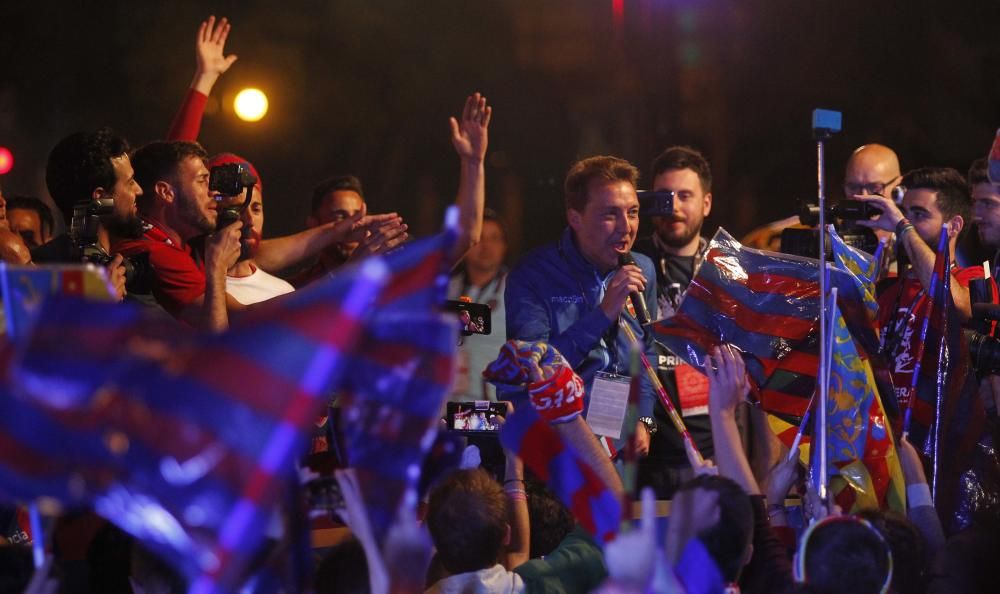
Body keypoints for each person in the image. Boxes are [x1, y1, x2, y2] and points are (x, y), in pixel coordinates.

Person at [504, 155, 658, 455]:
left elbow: (648, 349)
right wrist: (603, 314)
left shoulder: (643, 269)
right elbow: (532, 373)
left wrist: (644, 418)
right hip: (555, 449)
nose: (626, 227)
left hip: (617, 450)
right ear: (575, 218)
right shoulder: (533, 274)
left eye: (633, 212)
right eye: (610, 214)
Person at [631, 145, 715, 497]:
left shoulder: (726, 269)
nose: (675, 207)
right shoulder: (631, 264)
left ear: (706, 204)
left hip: (713, 452)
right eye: (664, 197)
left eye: (685, 195)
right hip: (644, 451)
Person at [857, 167, 977, 408]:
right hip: (887, 428)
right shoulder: (887, 290)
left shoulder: (973, 279)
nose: (908, 223)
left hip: (939, 435)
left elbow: (955, 305)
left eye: (919, 215)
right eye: (905, 213)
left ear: (954, 226)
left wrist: (902, 227)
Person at [112, 140, 243, 331]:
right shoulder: (150, 250)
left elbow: (256, 258)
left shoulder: (180, 242)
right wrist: (218, 267)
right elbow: (216, 337)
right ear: (166, 192)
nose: (213, 191)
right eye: (201, 181)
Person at [37, 128, 145, 301]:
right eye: (130, 183)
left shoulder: (132, 262)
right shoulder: (46, 275)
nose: (139, 190)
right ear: (100, 198)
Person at [205, 153, 295, 305]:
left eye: (256, 209)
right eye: (237, 209)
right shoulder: (193, 290)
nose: (250, 221)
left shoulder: (283, 291)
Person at [449, 209, 509, 401]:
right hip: (444, 407)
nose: (486, 246)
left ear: (504, 246)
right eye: (479, 238)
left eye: (494, 238)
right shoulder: (446, 288)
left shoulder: (517, 291)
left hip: (490, 408)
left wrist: (446, 315)